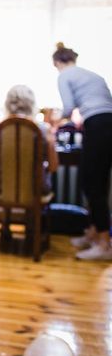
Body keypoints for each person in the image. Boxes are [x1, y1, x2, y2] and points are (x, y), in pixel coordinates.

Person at [52, 42, 112, 260]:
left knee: (92, 183)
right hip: (107, 124)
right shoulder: (93, 76)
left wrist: (54, 121)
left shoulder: (64, 75)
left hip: (97, 126)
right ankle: (94, 234)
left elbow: (68, 108)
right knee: (99, 181)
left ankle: (104, 244)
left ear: (57, 63)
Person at [0, 85, 59, 194]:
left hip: (3, 188)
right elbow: (53, 166)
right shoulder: (44, 129)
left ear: (7, 104)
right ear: (32, 104)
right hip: (36, 189)